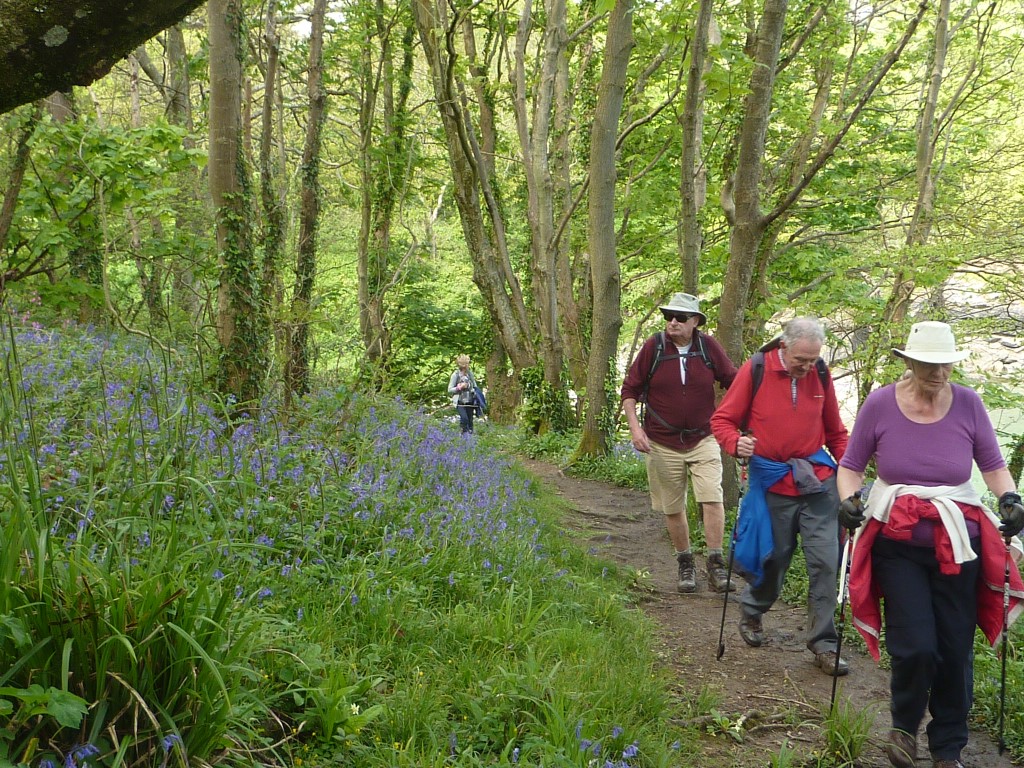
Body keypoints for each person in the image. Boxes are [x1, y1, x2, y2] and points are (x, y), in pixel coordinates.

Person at [835, 321, 1024, 768]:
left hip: (961, 545)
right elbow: (851, 465)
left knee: (955, 648)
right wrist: (847, 501)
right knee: (916, 643)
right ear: (909, 362)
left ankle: (948, 748)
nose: (938, 373)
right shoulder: (881, 403)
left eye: (945, 365)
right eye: (929, 365)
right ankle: (903, 729)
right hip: (897, 544)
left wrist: (1010, 498)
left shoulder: (970, 404)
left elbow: (993, 465)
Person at [710, 316, 850, 676]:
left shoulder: (820, 373)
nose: (807, 367)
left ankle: (824, 643)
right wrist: (734, 443)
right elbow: (723, 421)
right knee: (775, 559)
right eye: (801, 360)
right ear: (783, 347)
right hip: (772, 482)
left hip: (818, 482)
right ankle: (753, 611)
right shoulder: (755, 369)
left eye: (814, 359)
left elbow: (835, 431)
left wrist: (852, 474)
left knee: (825, 563)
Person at [621, 292, 738, 593]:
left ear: (695, 321)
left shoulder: (708, 347)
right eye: (668, 316)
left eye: (680, 317)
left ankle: (715, 563)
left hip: (703, 437)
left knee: (712, 497)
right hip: (661, 441)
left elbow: (733, 381)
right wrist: (635, 430)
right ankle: (685, 562)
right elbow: (630, 391)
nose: (672, 322)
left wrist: (736, 422)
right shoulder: (654, 347)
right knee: (673, 506)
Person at [448, 354, 480, 434]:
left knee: (470, 420)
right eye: (466, 364)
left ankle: (470, 437)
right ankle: (463, 436)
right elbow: (449, 390)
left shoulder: (470, 374)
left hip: (470, 401)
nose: (467, 365)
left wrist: (468, 386)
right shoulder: (455, 375)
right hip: (460, 402)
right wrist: (459, 388)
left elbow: (475, 386)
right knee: (464, 419)